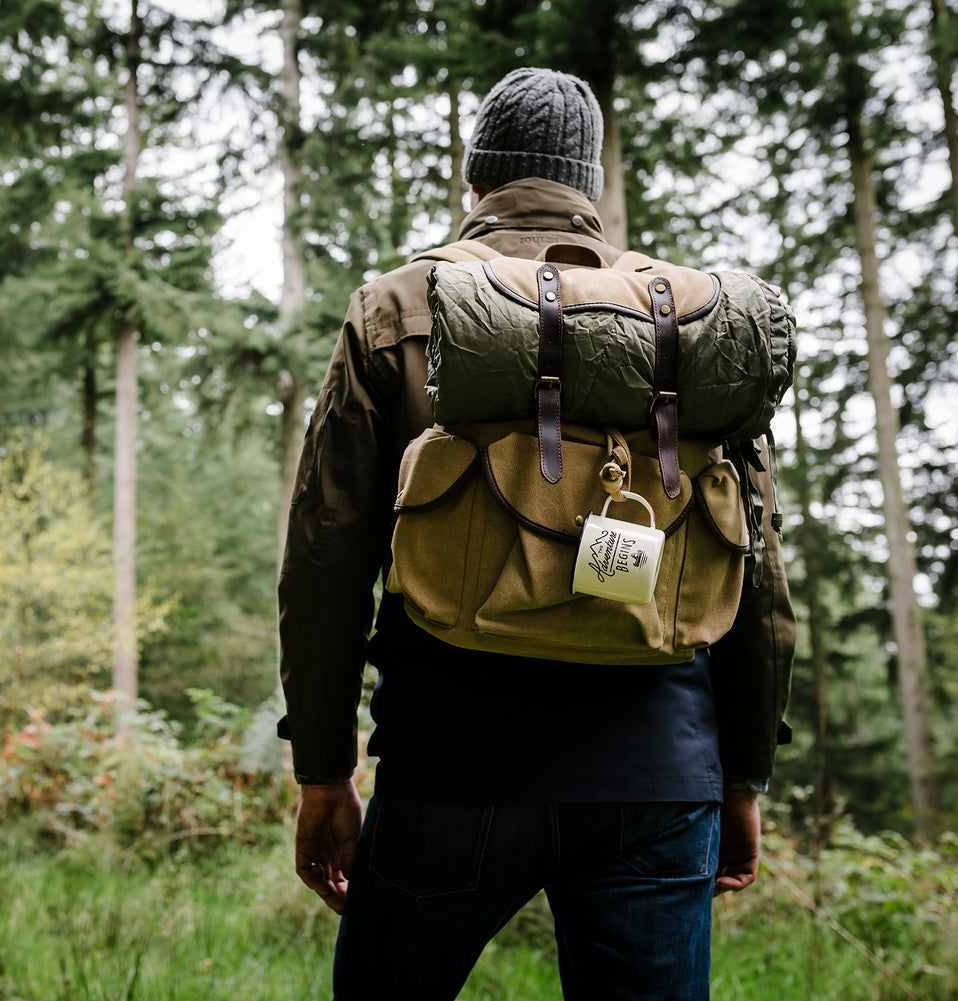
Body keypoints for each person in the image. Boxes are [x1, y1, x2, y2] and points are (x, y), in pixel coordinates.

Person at [276, 66, 795, 1001]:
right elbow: (758, 582)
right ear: (588, 189)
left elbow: (325, 559)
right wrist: (743, 775)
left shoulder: (400, 306)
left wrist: (323, 769)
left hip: (450, 758)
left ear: (477, 184)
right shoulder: (685, 333)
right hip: (658, 771)